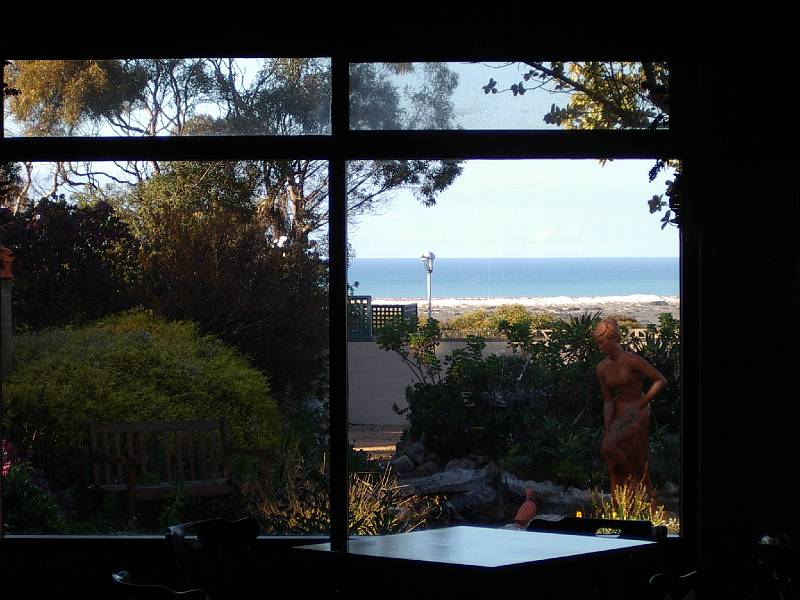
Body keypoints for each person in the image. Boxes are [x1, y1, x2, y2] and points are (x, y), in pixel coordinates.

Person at [594, 318, 666, 499]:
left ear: (612, 339)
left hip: (638, 410)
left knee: (617, 448)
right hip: (619, 410)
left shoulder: (633, 361)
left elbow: (660, 380)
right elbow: (608, 400)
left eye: (601, 342)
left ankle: (635, 481)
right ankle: (628, 499)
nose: (600, 347)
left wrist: (640, 406)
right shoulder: (602, 368)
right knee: (610, 452)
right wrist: (608, 427)